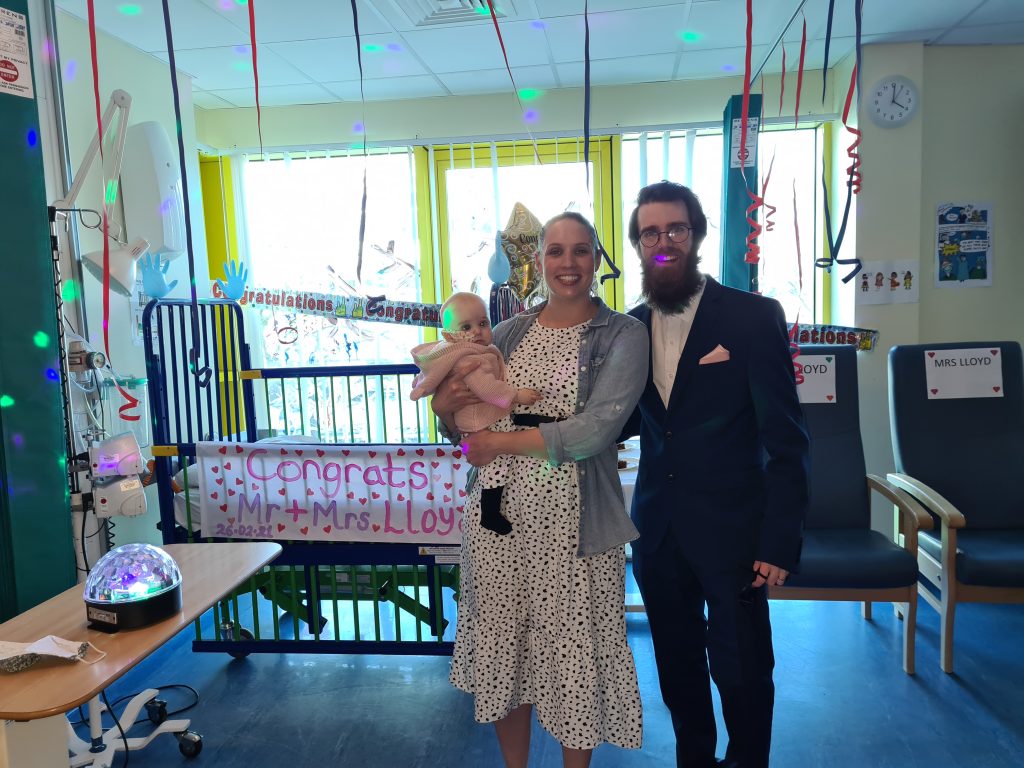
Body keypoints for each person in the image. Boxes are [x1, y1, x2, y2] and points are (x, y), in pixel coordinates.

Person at [431, 212, 648, 768]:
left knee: (575, 650)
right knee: (508, 647)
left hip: (575, 523)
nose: (568, 263)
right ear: (540, 259)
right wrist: (446, 409)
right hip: (497, 524)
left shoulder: (623, 334)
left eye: (580, 251)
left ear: (598, 258)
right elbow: (459, 414)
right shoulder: (509, 331)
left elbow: (594, 431)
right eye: (556, 251)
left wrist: (501, 445)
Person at [621, 181, 809, 768]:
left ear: (696, 235)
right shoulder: (625, 330)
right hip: (658, 532)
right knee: (677, 671)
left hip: (736, 534)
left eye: (675, 229)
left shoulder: (753, 318)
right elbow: (616, 420)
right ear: (638, 244)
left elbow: (787, 441)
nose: (664, 242)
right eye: (651, 232)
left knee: (744, 669)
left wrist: (779, 540)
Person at [410, 291, 542, 533]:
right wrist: (516, 395)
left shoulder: (469, 352)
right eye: (466, 326)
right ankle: (489, 513)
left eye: (482, 323)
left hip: (472, 427)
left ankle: (488, 508)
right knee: (492, 466)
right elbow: (487, 388)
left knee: (484, 459)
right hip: (477, 425)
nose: (476, 332)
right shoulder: (467, 358)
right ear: (450, 336)